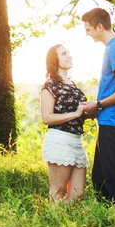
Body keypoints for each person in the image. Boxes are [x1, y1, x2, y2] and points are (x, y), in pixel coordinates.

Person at [82, 7, 115, 211]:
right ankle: (108, 218)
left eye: (88, 29)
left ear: (99, 26)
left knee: (113, 176)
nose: (87, 33)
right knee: (100, 177)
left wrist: (99, 105)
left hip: (114, 121)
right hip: (111, 119)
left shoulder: (114, 48)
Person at [40, 43, 92, 203]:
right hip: (59, 140)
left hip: (76, 141)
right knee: (58, 191)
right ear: (54, 60)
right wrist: (75, 113)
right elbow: (46, 117)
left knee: (78, 194)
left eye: (68, 52)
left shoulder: (72, 84)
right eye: (63, 54)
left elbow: (78, 112)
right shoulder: (50, 85)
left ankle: (64, 222)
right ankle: (52, 224)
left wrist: (89, 112)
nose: (69, 56)